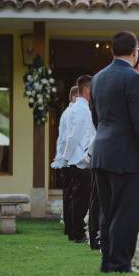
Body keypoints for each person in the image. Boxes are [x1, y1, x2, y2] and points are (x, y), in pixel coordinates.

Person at [91, 31, 139, 273]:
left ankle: (108, 262)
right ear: (135, 51)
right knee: (127, 213)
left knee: (108, 211)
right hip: (127, 156)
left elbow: (97, 117)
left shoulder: (98, 78)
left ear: (112, 51)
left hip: (102, 152)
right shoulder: (134, 80)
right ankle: (121, 264)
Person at [63, 75, 95, 243]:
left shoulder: (80, 108)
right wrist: (67, 157)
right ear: (87, 89)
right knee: (81, 198)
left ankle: (74, 231)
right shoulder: (82, 109)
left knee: (78, 197)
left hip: (78, 159)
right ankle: (77, 233)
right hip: (80, 160)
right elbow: (74, 136)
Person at [51, 85, 78, 238]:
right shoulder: (72, 113)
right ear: (74, 97)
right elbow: (68, 138)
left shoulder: (66, 113)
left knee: (69, 194)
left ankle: (70, 226)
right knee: (72, 195)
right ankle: (72, 227)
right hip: (70, 159)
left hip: (66, 158)